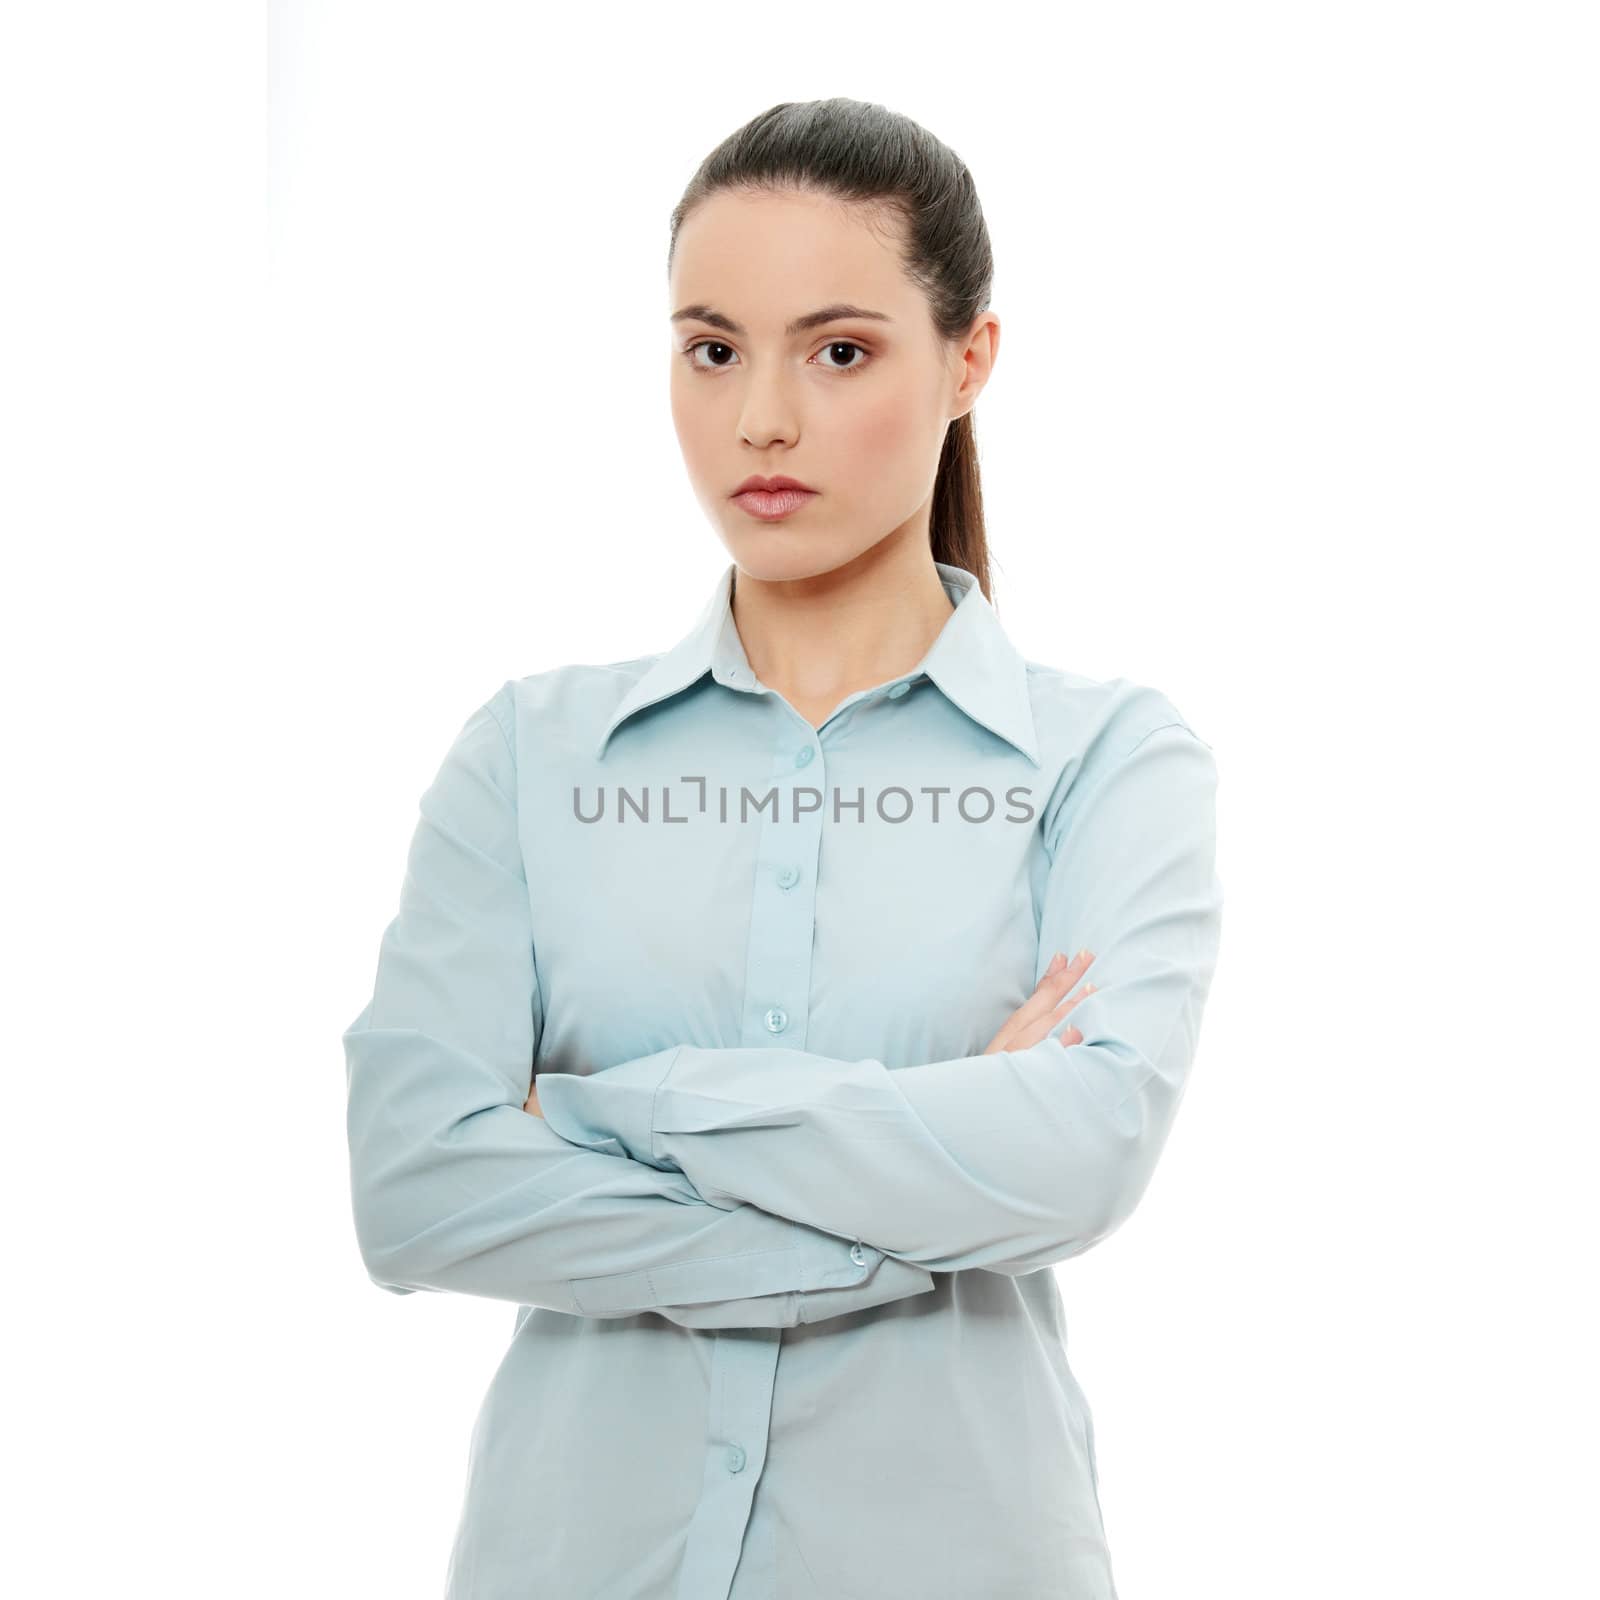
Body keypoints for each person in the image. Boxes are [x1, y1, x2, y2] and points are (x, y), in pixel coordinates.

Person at [342, 96, 1223, 1600]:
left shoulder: (1105, 761)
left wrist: (605, 1109)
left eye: (839, 350)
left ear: (969, 361)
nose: (760, 418)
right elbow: (418, 1184)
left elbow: (1082, 1155)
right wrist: (906, 1219)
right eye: (711, 348)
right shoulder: (531, 756)